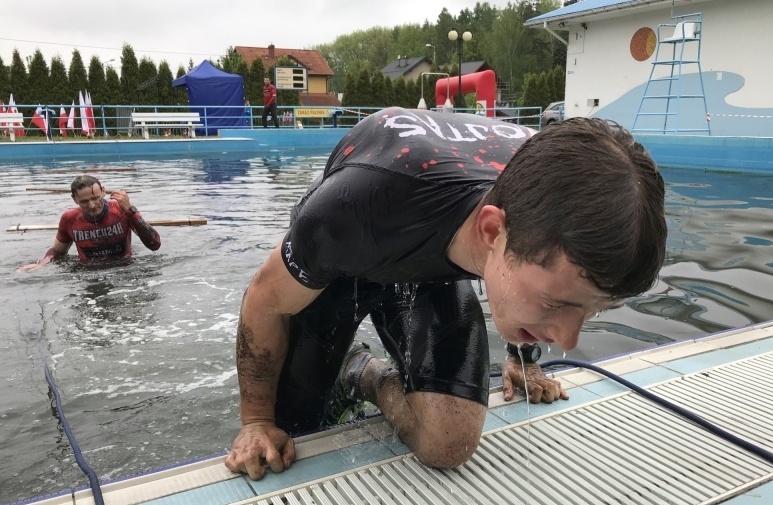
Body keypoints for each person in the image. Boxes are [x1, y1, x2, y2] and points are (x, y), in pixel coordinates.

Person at [225, 107, 666, 480]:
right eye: (556, 306)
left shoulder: (548, 182)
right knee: (293, 437)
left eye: (592, 311)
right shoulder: (349, 212)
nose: (568, 341)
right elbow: (264, 300)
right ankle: (321, 379)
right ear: (492, 231)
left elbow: (544, 273)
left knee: (448, 443)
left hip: (439, 242)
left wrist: (521, 358)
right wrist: (256, 420)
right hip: (368, 237)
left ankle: (361, 372)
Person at [19, 175, 161, 270]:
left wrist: (131, 212)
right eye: (84, 202)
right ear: (74, 199)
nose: (92, 205)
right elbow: (57, 252)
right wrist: (41, 264)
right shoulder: (69, 218)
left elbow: (154, 244)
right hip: (88, 272)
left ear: (103, 191)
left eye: (95, 198)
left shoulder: (121, 209)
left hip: (123, 268)